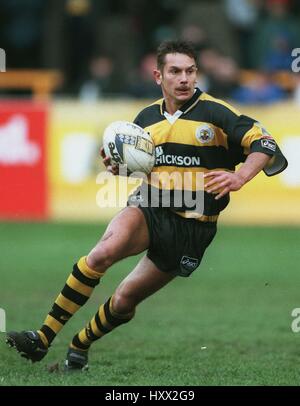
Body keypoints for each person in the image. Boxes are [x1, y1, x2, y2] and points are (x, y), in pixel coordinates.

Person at [6, 40, 288, 371]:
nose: (184, 78)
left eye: (190, 71)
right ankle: (42, 337)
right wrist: (118, 167)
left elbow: (265, 143)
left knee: (125, 301)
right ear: (158, 76)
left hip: (192, 228)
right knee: (100, 255)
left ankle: (79, 344)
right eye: (175, 71)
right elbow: (139, 165)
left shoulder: (215, 113)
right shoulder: (146, 118)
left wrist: (240, 176)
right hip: (149, 206)